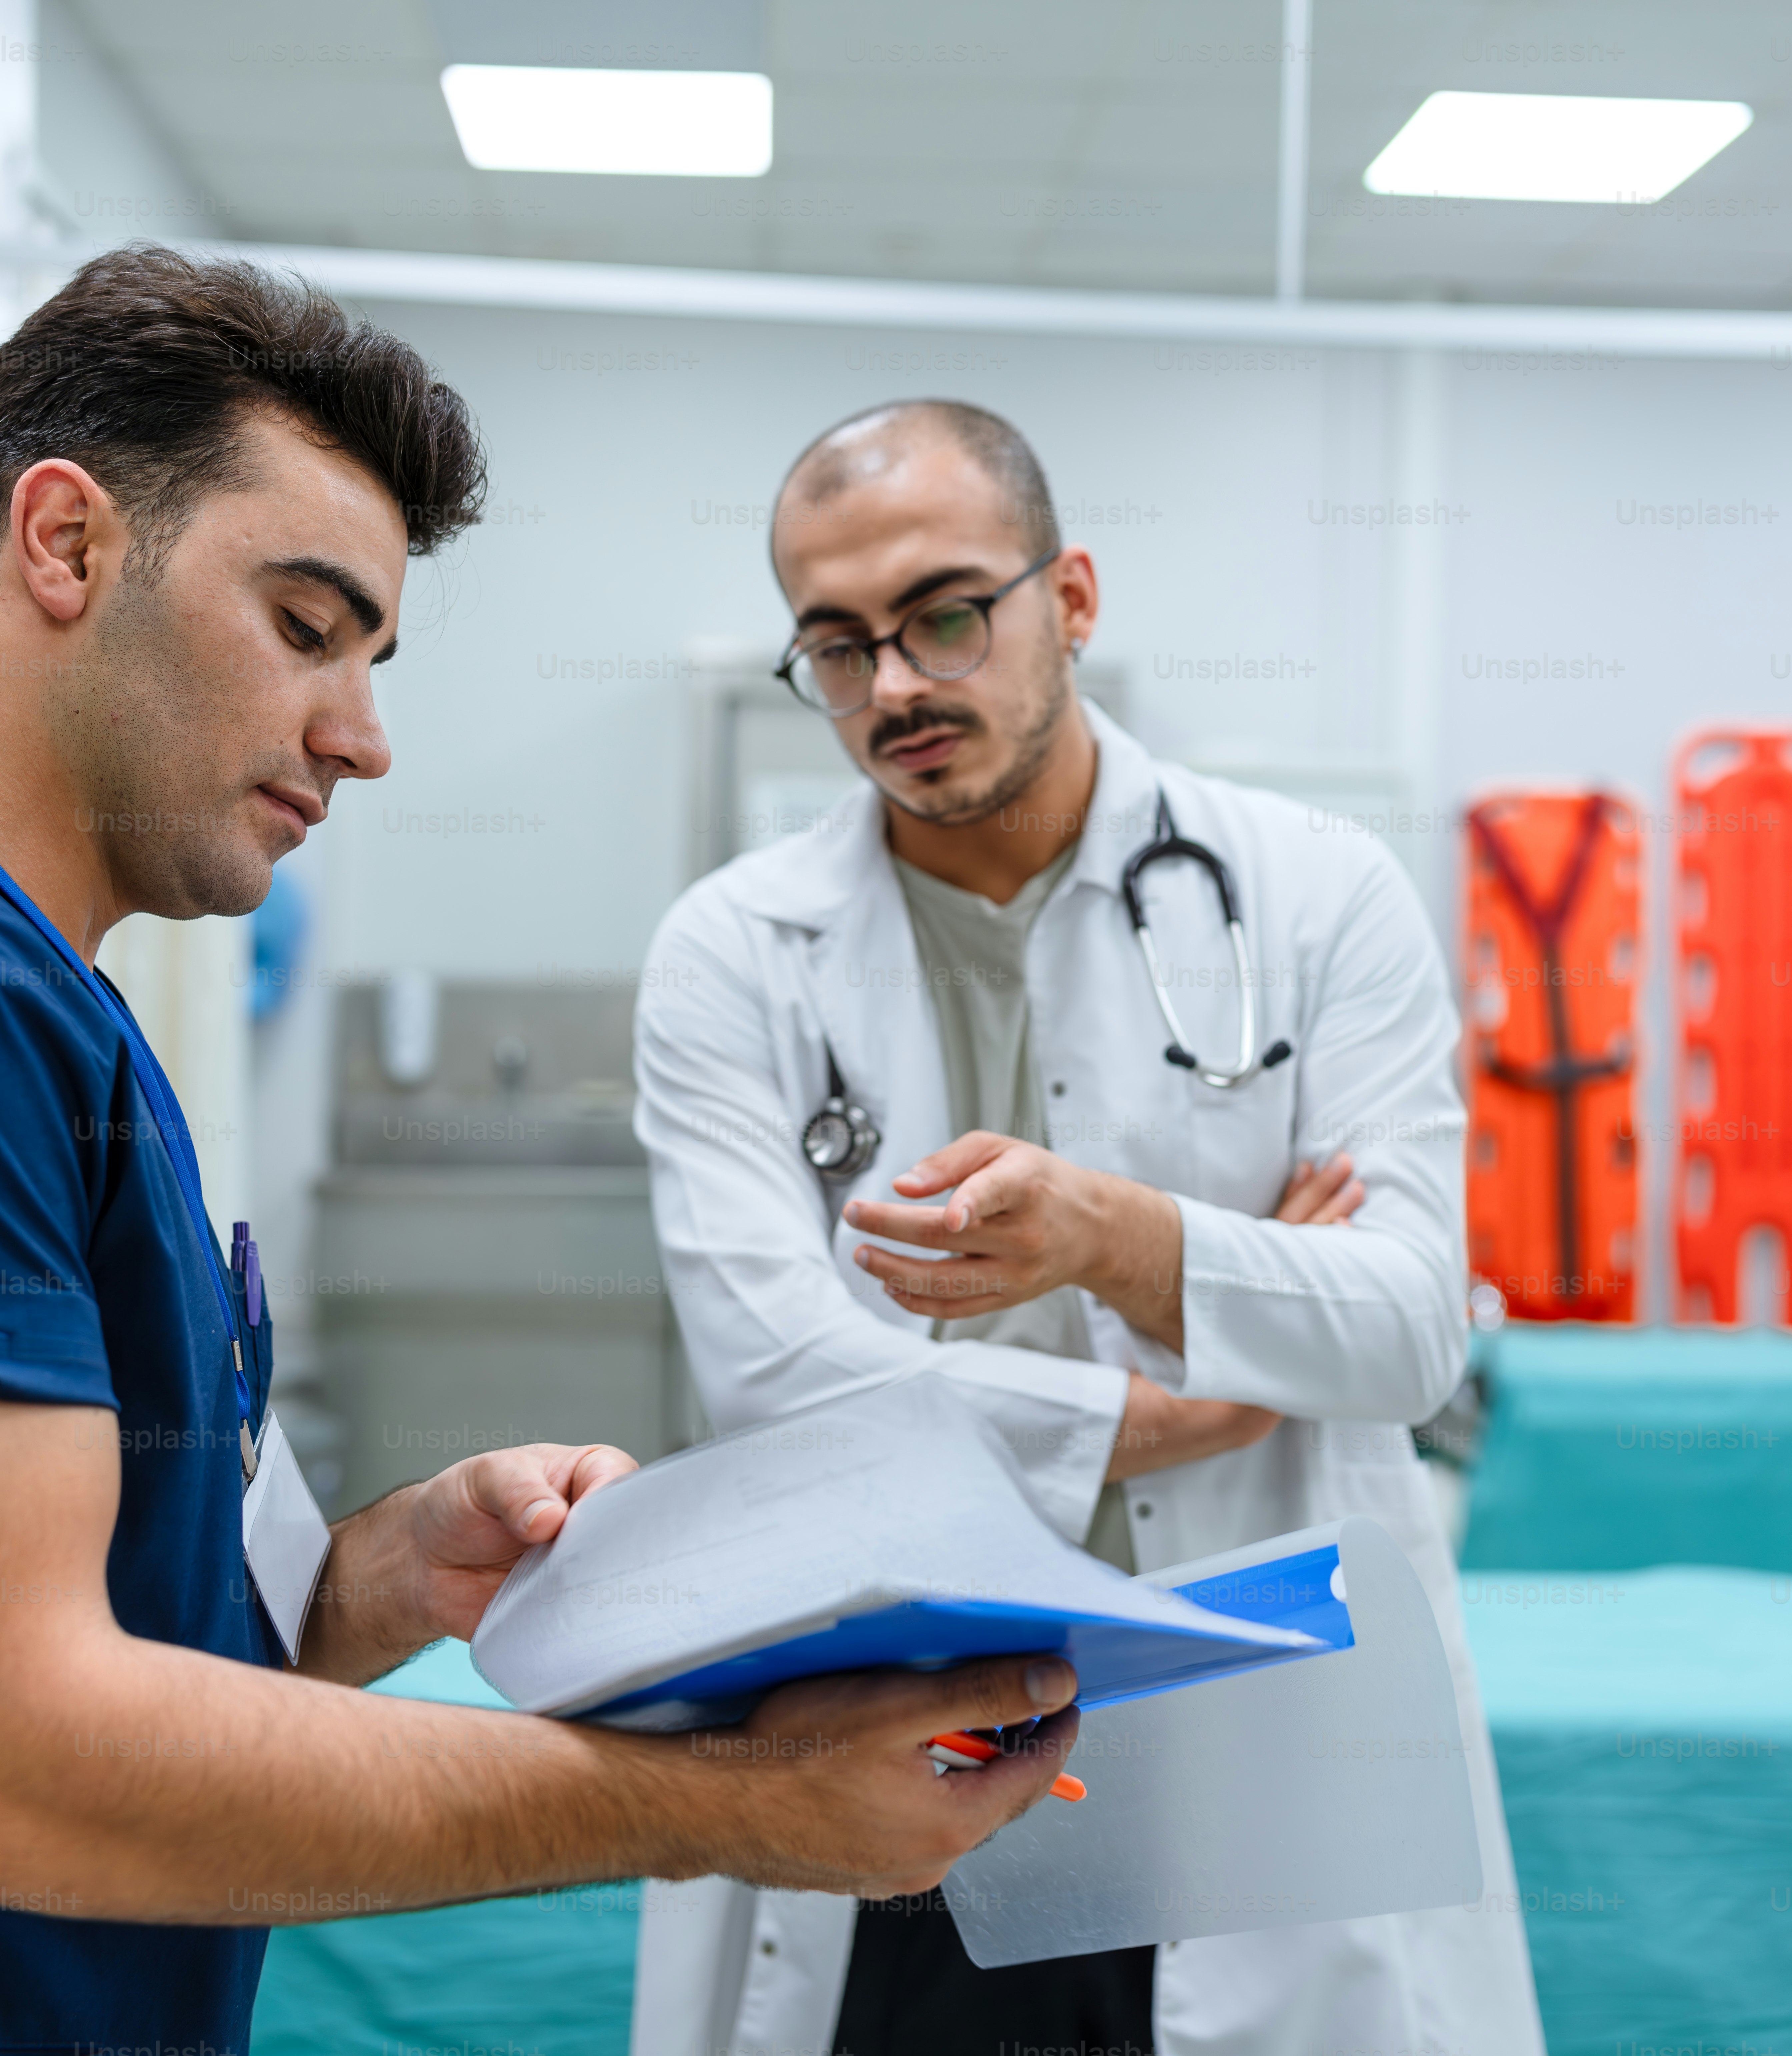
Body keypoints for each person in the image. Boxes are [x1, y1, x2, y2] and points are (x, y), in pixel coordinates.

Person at [0, 250, 1080, 2054]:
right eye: (307, 629)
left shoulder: (28, 1005)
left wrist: (376, 1583)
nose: (362, 740)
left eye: (370, 661)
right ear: (64, 544)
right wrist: (727, 1806)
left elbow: (91, 1637)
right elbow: (9, 1770)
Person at [628, 400, 1545, 2056]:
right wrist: (1195, 1399)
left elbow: (1412, 1325)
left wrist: (1118, 1238)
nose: (894, 686)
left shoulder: (1320, 895)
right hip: (900, 1722)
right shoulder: (732, 952)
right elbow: (778, 1375)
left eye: (945, 616)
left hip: (1243, 1726)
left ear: (1073, 599)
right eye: (837, 646)